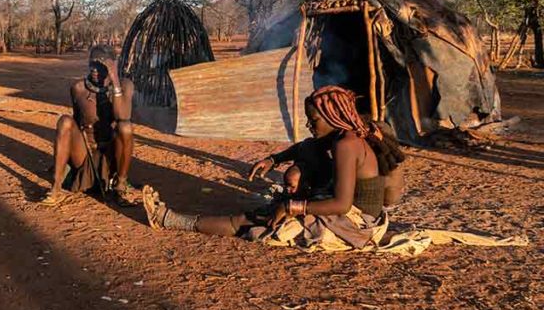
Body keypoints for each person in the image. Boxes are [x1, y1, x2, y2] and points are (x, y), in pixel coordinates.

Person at [143, 85, 406, 250]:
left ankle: (171, 220)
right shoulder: (347, 134)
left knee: (255, 222)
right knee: (306, 157)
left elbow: (341, 206)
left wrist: (293, 207)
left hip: (356, 223)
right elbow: (305, 146)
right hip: (356, 211)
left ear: (332, 116)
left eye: (313, 119)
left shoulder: (346, 144)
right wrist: (274, 160)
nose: (309, 125)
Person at [41, 45, 136, 207]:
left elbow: (123, 116)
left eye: (100, 66)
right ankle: (56, 187)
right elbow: (77, 122)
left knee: (125, 127)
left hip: (111, 156)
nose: (94, 70)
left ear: (112, 65)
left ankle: (120, 185)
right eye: (92, 65)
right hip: (84, 155)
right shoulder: (78, 89)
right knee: (65, 120)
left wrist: (114, 80)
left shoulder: (125, 85)